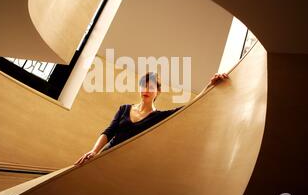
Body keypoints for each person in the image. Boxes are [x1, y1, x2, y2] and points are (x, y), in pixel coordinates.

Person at [74, 71, 229, 166]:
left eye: (151, 87)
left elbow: (189, 108)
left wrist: (210, 85)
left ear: (158, 92)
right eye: (144, 86)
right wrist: (94, 151)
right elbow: (109, 131)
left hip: (127, 163)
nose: (146, 90)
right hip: (106, 155)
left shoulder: (158, 117)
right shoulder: (124, 108)